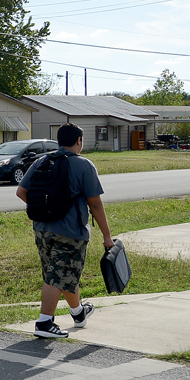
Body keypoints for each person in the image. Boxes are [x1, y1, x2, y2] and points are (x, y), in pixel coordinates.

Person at [16, 123, 114, 339]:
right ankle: (44, 323)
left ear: (59, 140)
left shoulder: (41, 161)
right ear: (79, 140)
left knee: (62, 273)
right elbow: (95, 203)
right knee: (58, 276)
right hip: (70, 231)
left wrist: (45, 210)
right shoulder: (83, 165)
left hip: (42, 229)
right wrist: (107, 236)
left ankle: (78, 313)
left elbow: (21, 191)